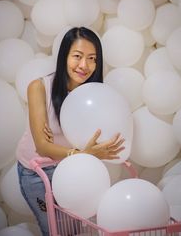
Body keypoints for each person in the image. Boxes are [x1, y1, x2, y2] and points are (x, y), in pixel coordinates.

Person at [16, 27, 125, 236]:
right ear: (64, 56)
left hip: (74, 168)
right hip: (38, 171)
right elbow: (42, 146)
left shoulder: (95, 94)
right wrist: (85, 153)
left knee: (77, 229)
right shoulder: (39, 87)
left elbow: (95, 136)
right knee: (56, 230)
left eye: (92, 58)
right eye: (77, 56)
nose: (84, 65)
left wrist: (89, 152)